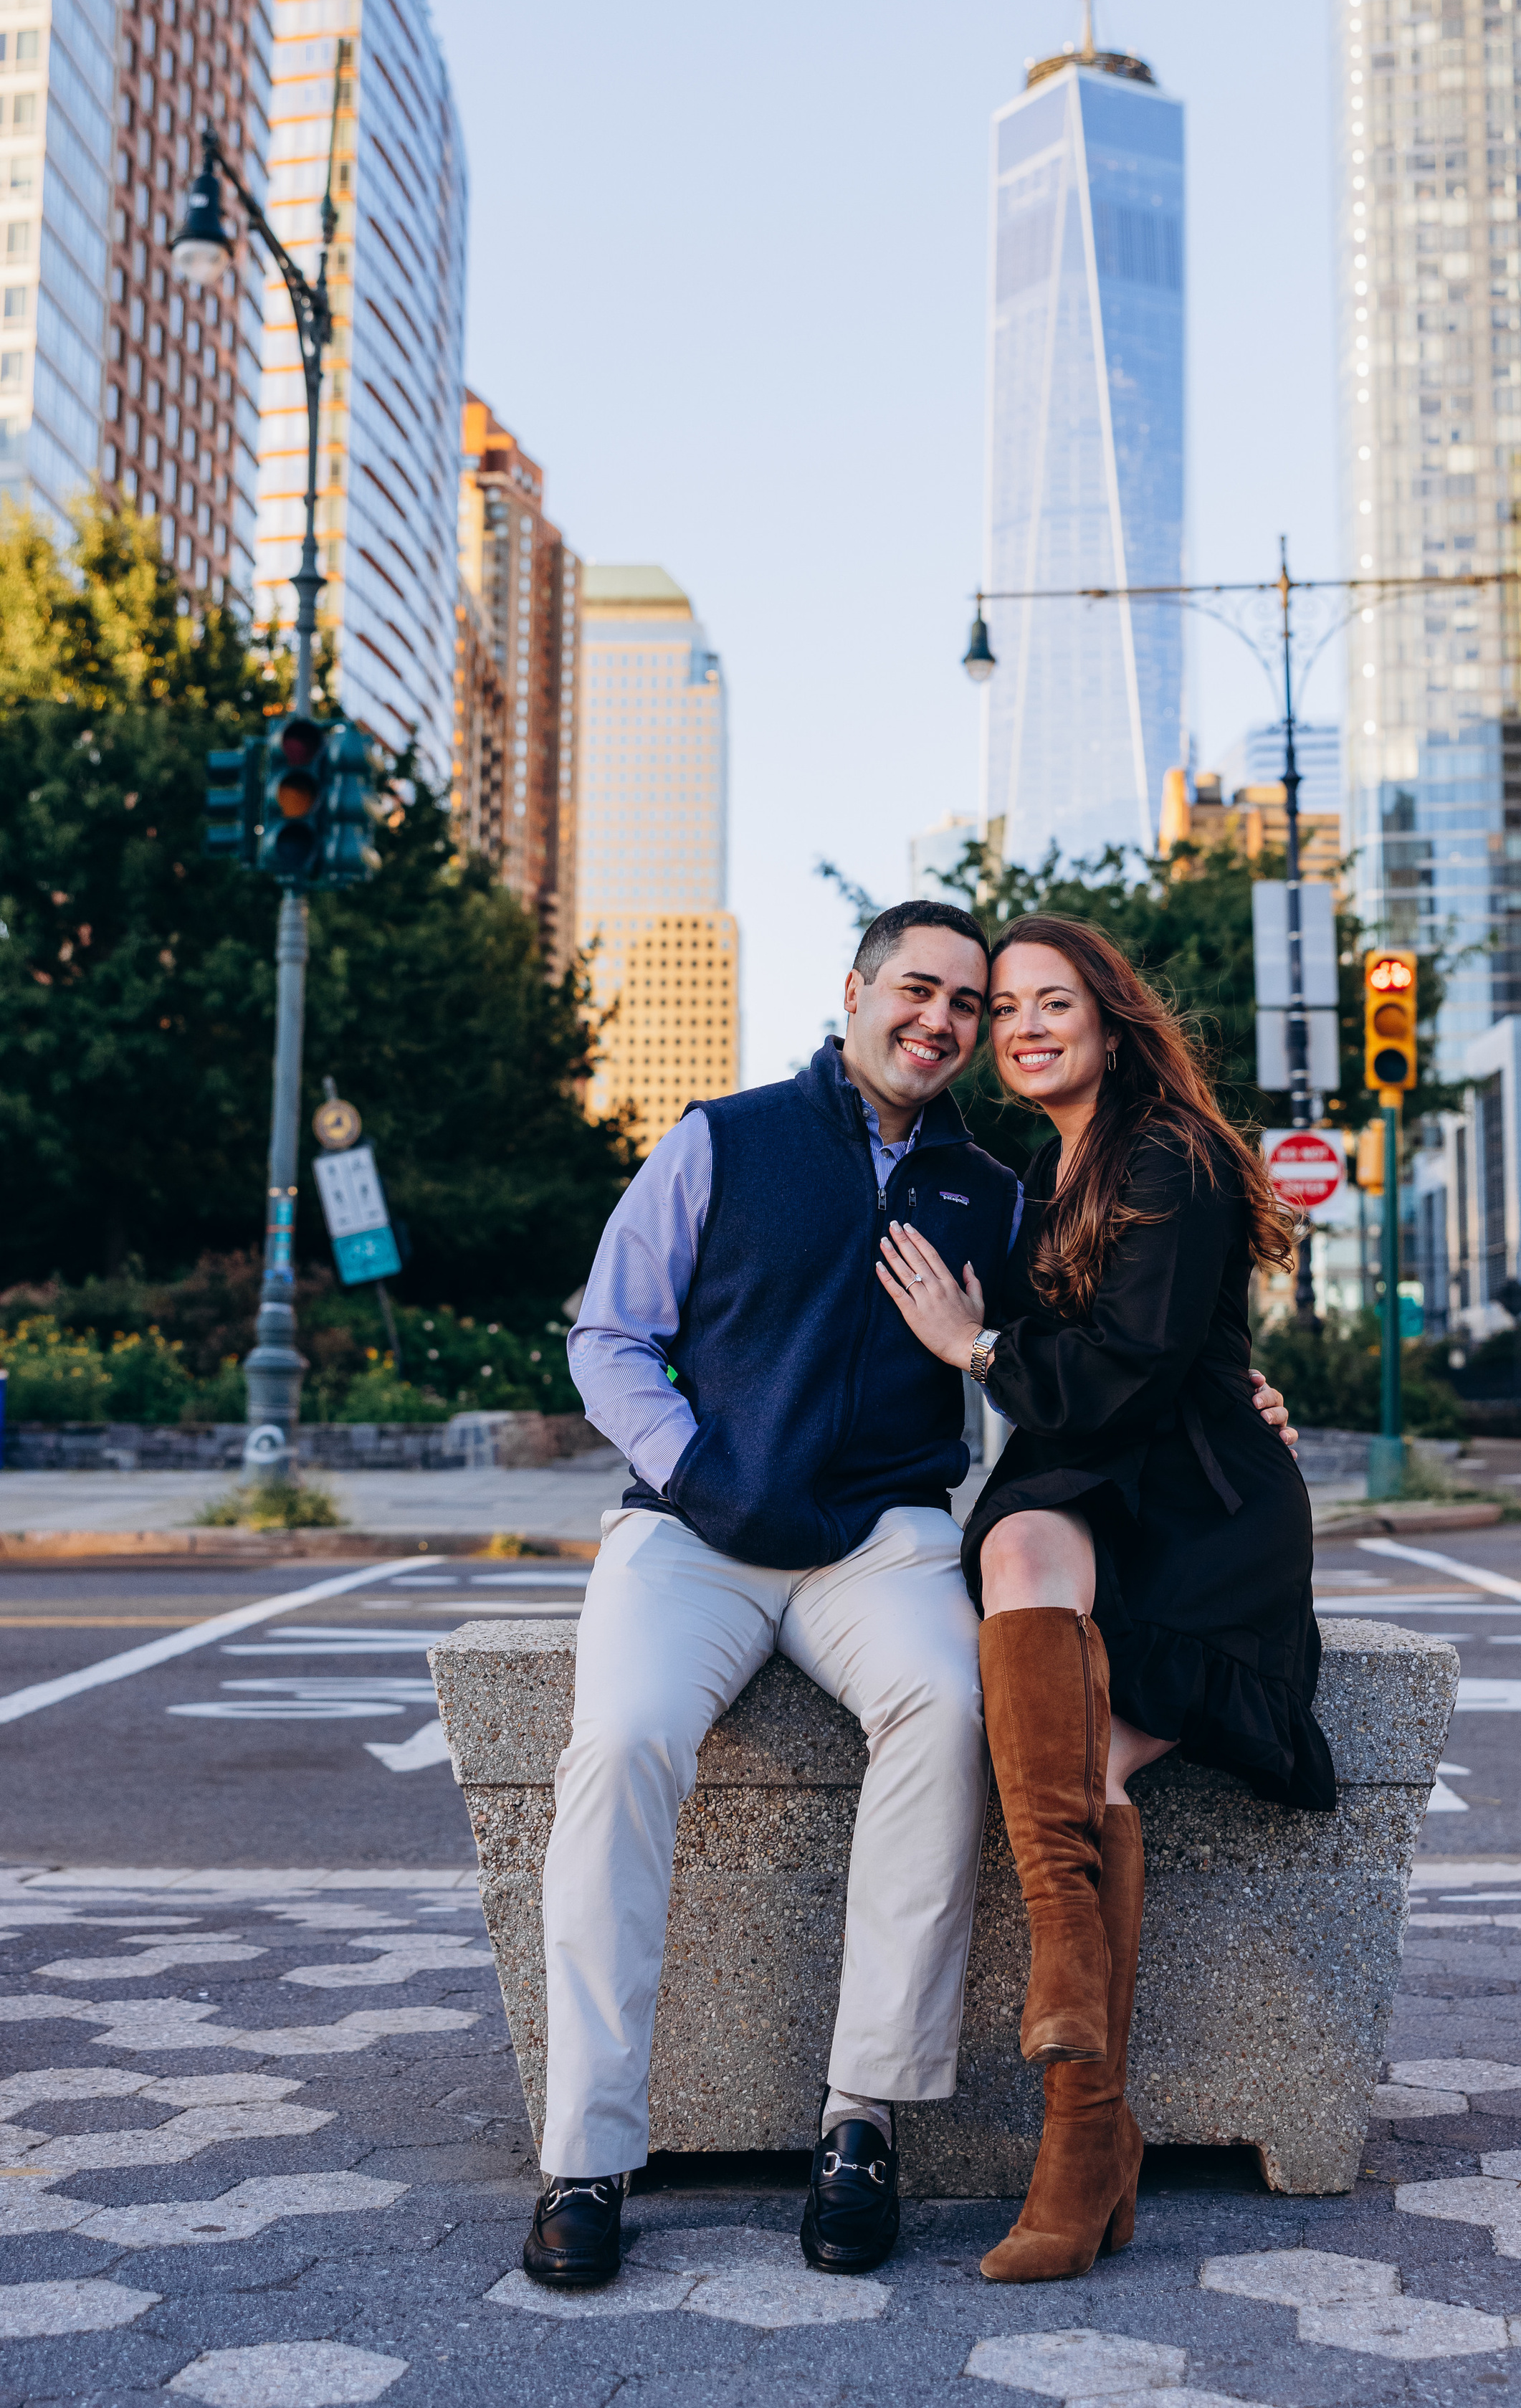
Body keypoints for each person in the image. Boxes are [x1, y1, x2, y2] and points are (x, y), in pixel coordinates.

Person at [523, 900, 1298, 2290]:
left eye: (975, 1003)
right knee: (620, 1740)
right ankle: (584, 2152)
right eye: (929, 994)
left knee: (951, 1709)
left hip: (876, 1539)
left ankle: (859, 2121)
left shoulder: (992, 1190)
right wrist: (696, 1467)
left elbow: (1090, 1336)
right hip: (691, 1528)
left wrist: (1227, 1383)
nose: (947, 1022)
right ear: (856, 992)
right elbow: (607, 1335)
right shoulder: (722, 1137)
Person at [877, 911, 1335, 2287]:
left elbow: (1132, 1367)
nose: (1020, 1027)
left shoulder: (1166, 1152)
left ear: (1109, 1015)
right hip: (1097, 1489)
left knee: (1078, 1768)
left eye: (1049, 1003)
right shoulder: (1045, 1160)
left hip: (1196, 1515)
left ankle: (1081, 2133)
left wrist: (977, 1344)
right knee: (1015, 1551)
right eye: (1002, 1007)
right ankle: (1092, 2122)